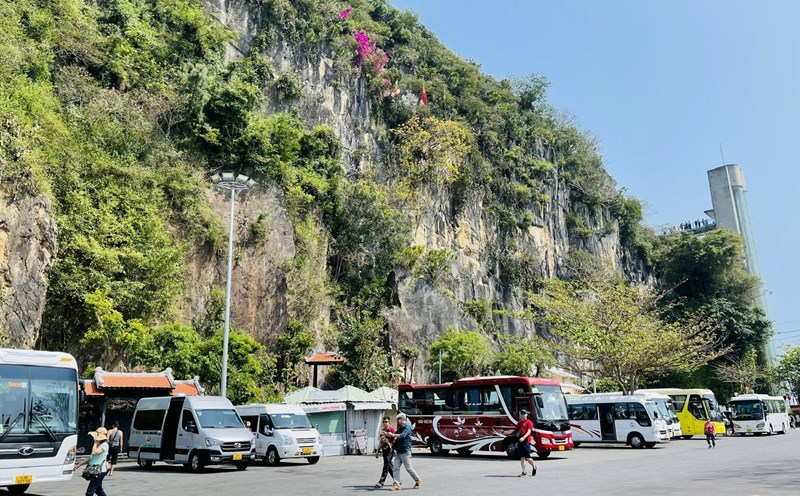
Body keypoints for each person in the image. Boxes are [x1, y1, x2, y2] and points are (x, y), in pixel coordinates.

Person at [387, 413, 421, 491]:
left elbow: (402, 435)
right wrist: (387, 434)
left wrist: (392, 435)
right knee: (395, 468)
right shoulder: (401, 427)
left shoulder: (407, 426)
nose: (397, 421)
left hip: (405, 451)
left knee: (409, 468)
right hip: (399, 450)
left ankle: (418, 481)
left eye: (398, 420)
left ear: (402, 419)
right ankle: (397, 484)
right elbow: (395, 433)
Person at [75, 426, 109, 496]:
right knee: (98, 490)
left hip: (99, 471)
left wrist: (95, 443)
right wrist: (79, 465)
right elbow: (91, 457)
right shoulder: (98, 445)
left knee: (89, 492)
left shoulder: (104, 445)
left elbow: (94, 453)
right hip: (94, 470)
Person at [374, 416, 395, 488]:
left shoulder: (391, 429)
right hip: (384, 450)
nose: (384, 423)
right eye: (383, 422)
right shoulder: (382, 430)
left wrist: (395, 449)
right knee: (389, 466)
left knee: (386, 466)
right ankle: (397, 480)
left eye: (386, 422)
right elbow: (381, 441)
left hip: (390, 450)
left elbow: (395, 438)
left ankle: (381, 482)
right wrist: (377, 451)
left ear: (389, 422)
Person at [516, 409, 537, 477]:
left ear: (526, 414)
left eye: (524, 413)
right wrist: (516, 442)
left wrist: (524, 438)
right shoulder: (519, 423)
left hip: (526, 442)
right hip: (520, 441)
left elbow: (529, 431)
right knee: (522, 457)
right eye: (522, 413)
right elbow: (517, 433)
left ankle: (534, 466)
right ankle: (523, 471)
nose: (523, 415)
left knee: (527, 457)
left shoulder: (529, 422)